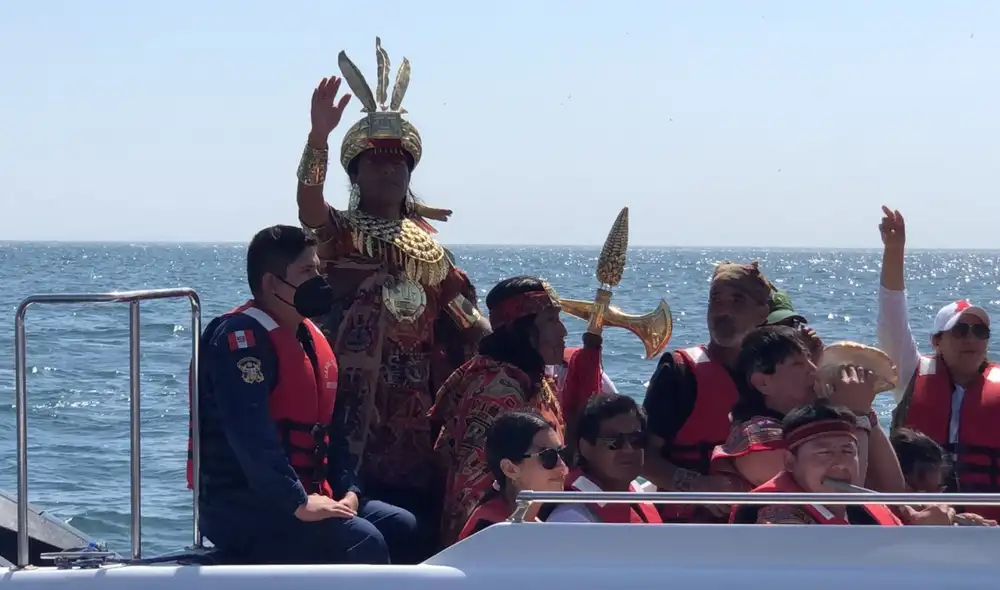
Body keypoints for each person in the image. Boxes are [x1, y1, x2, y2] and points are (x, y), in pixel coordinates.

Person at [293, 39, 489, 554]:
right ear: (355, 175)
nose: (389, 172)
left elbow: (466, 318)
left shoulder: (431, 250)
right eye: (376, 165)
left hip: (417, 399)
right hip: (355, 392)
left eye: (399, 165)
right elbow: (309, 206)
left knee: (418, 515)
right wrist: (318, 137)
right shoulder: (341, 231)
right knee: (359, 497)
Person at [188, 225, 417, 564]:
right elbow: (249, 436)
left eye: (319, 271)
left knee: (403, 527)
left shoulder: (311, 339)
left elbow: (334, 435)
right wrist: (297, 502)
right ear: (271, 284)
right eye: (307, 271)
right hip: (242, 505)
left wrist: (349, 491)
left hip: (310, 494)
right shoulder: (240, 340)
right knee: (362, 542)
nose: (319, 281)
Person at [432, 276, 600, 545]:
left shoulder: (534, 380)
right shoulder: (496, 390)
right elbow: (471, 492)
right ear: (521, 329)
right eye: (550, 320)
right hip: (493, 541)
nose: (563, 332)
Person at [877, 206, 1000, 520]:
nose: (970, 338)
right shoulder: (909, 373)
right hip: (919, 518)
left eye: (979, 331)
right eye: (960, 330)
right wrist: (894, 251)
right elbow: (892, 317)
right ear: (937, 341)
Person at [641, 261, 773, 521]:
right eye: (716, 299)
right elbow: (641, 457)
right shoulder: (680, 372)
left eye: (737, 300)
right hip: (688, 529)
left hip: (763, 526)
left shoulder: (778, 374)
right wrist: (696, 485)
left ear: (761, 313)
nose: (723, 311)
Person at [710, 326, 904, 494]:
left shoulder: (815, 424)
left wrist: (867, 413)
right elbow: (843, 496)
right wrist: (856, 414)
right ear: (763, 383)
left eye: (811, 360)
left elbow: (893, 489)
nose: (813, 370)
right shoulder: (756, 438)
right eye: (798, 364)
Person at [731, 402, 952, 526]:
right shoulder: (775, 516)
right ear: (790, 461)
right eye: (824, 452)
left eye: (848, 451)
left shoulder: (865, 508)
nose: (840, 464)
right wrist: (926, 537)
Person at [548, 394, 661, 524]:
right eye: (614, 441)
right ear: (586, 448)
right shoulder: (571, 519)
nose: (629, 449)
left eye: (636, 440)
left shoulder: (636, 491)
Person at [457, 412, 569, 541]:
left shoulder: (532, 525)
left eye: (562, 453)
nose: (562, 466)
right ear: (510, 469)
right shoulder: (489, 533)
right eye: (548, 456)